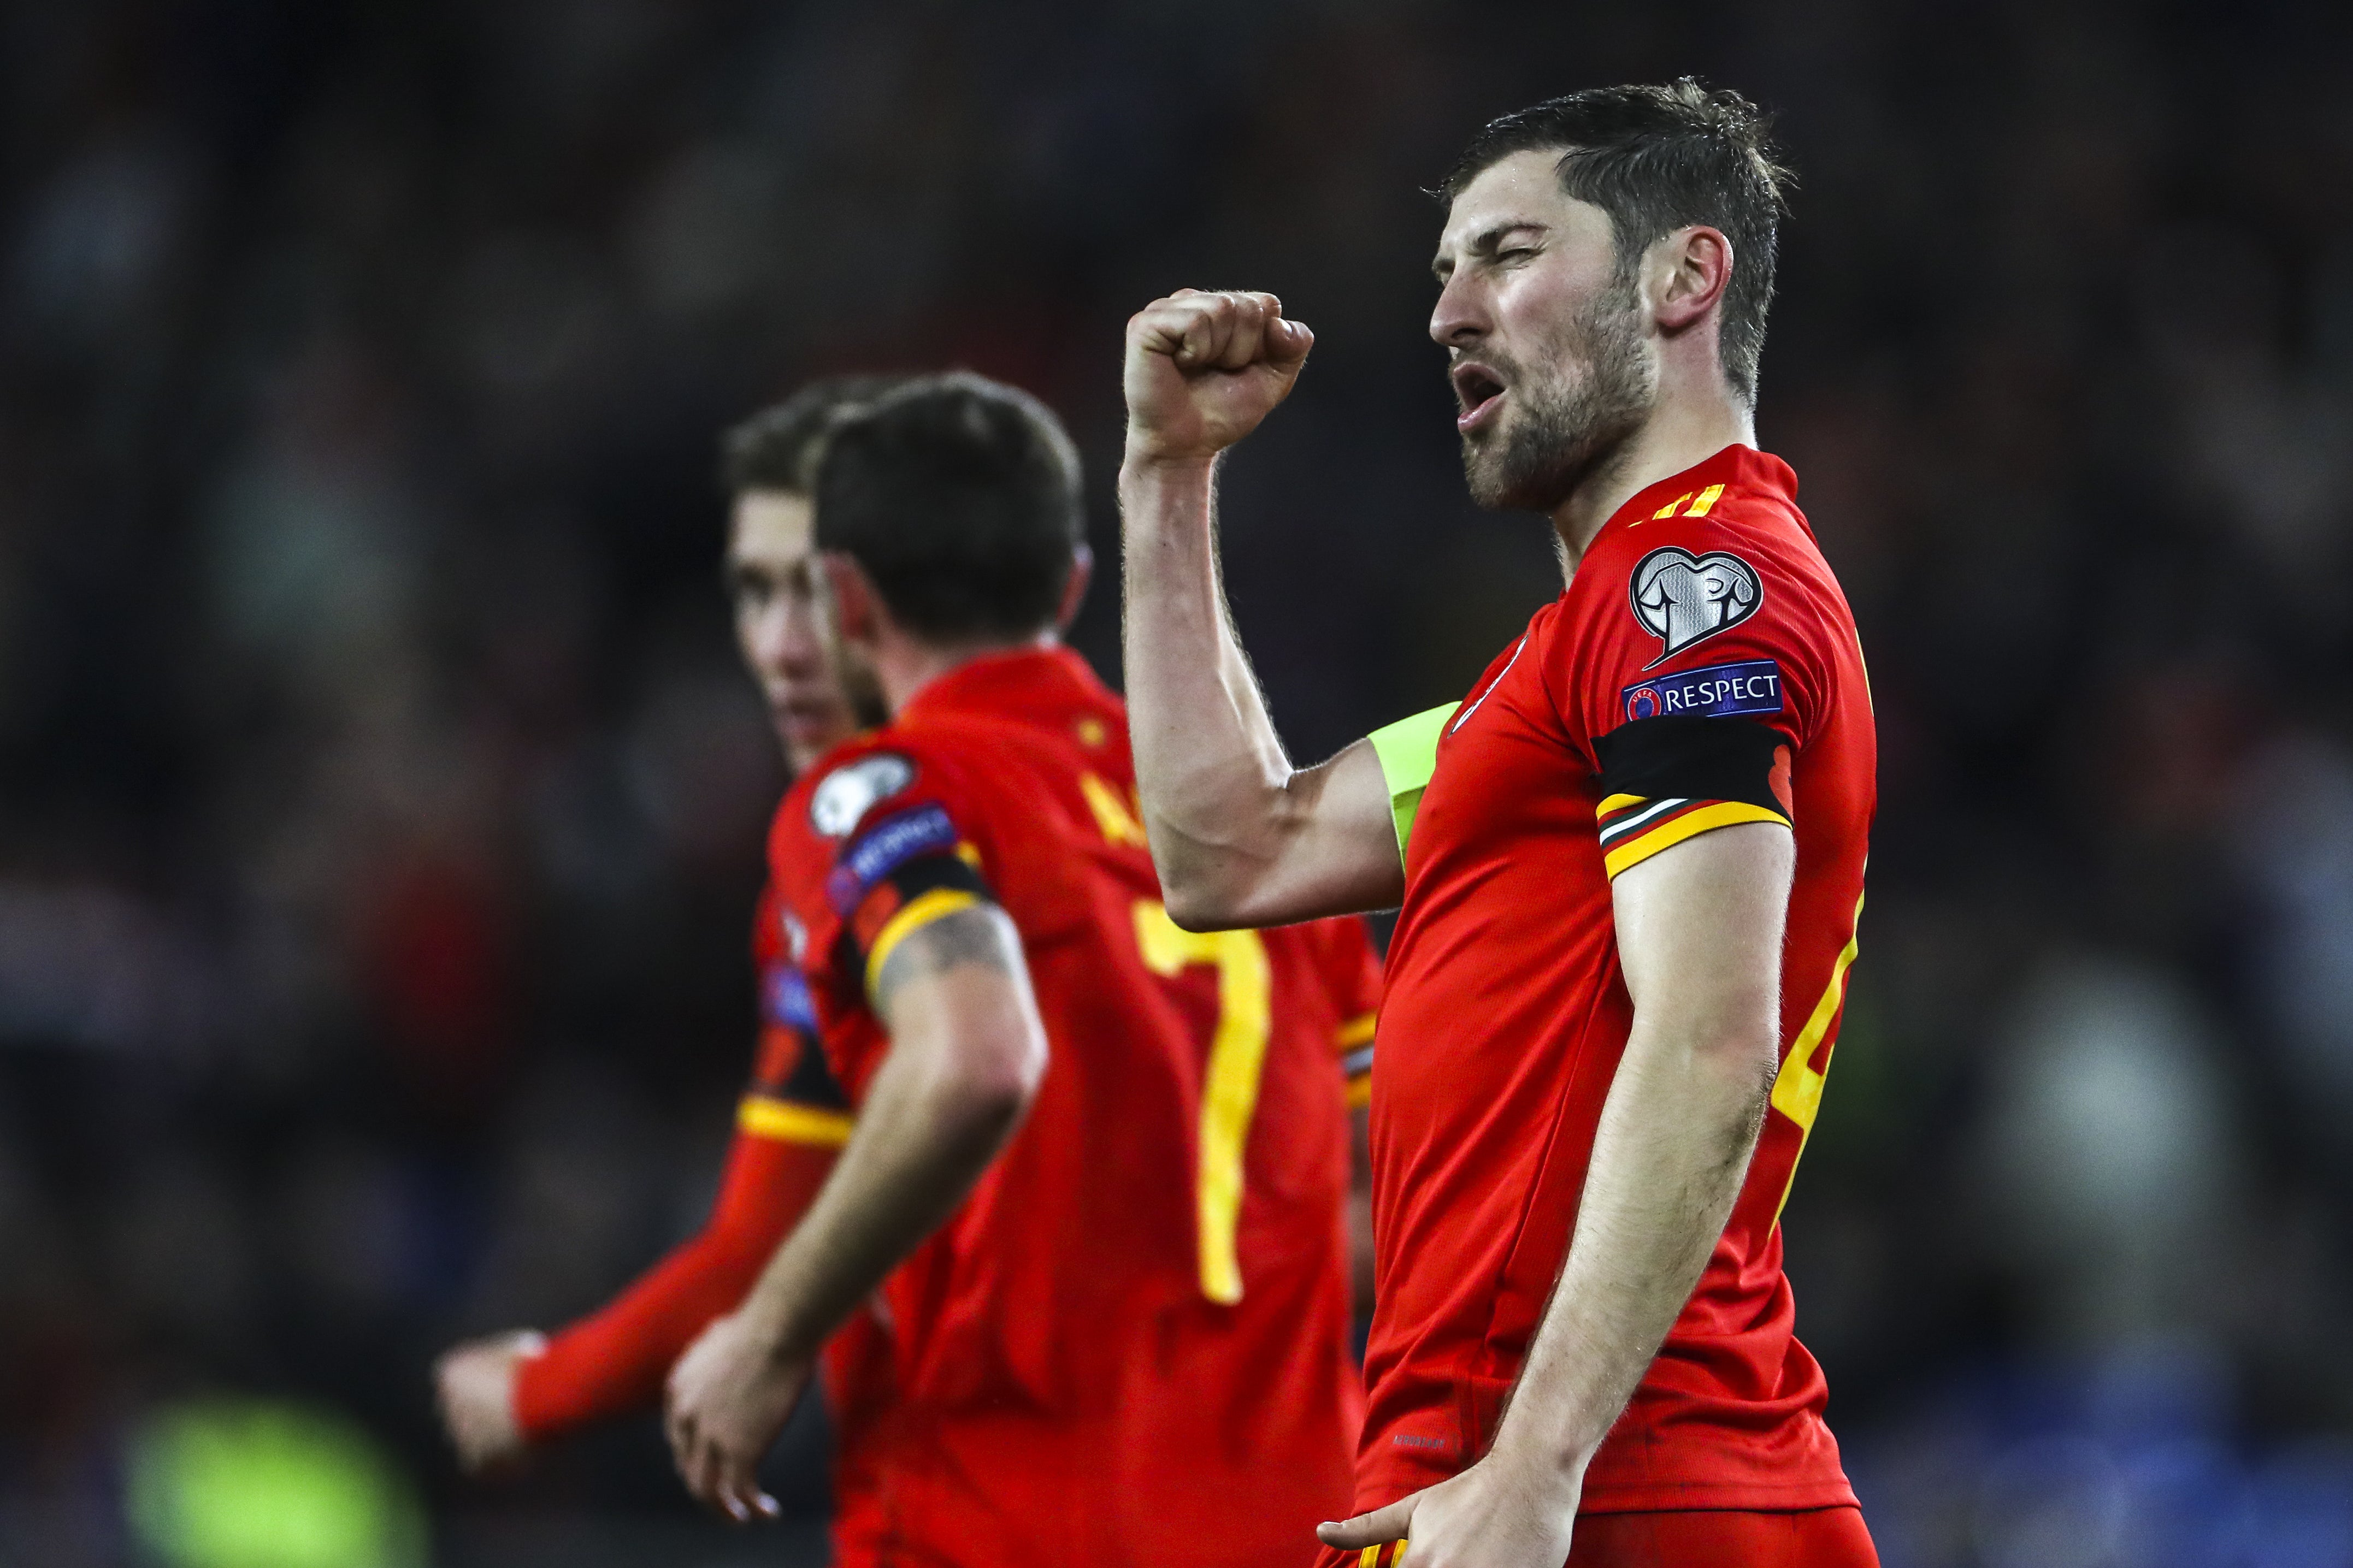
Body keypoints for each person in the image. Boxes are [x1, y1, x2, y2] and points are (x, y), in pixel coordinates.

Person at [1118, 81, 1879, 1568]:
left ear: (1682, 277)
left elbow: (1710, 1039)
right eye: (1444, 271)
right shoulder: (1554, 672)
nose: (1448, 314)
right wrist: (1170, 473)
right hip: (1524, 1461)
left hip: (1601, 1472)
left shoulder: (1693, 596)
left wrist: (1534, 1463)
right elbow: (1231, 854)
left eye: (1509, 254)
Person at [658, 371, 1382, 1568]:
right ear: (1070, 587)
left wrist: (770, 1335)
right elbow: (1393, 1187)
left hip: (1019, 1519)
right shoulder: (1255, 839)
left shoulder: (883, 792)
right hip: (1306, 1518)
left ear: (845, 597)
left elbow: (973, 1057)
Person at [431, 376, 890, 1468]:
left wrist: (533, 1392)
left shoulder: (875, 838)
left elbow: (760, 1247)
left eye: (813, 595)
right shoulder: (1166, 795)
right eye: (755, 593)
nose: (778, 644)